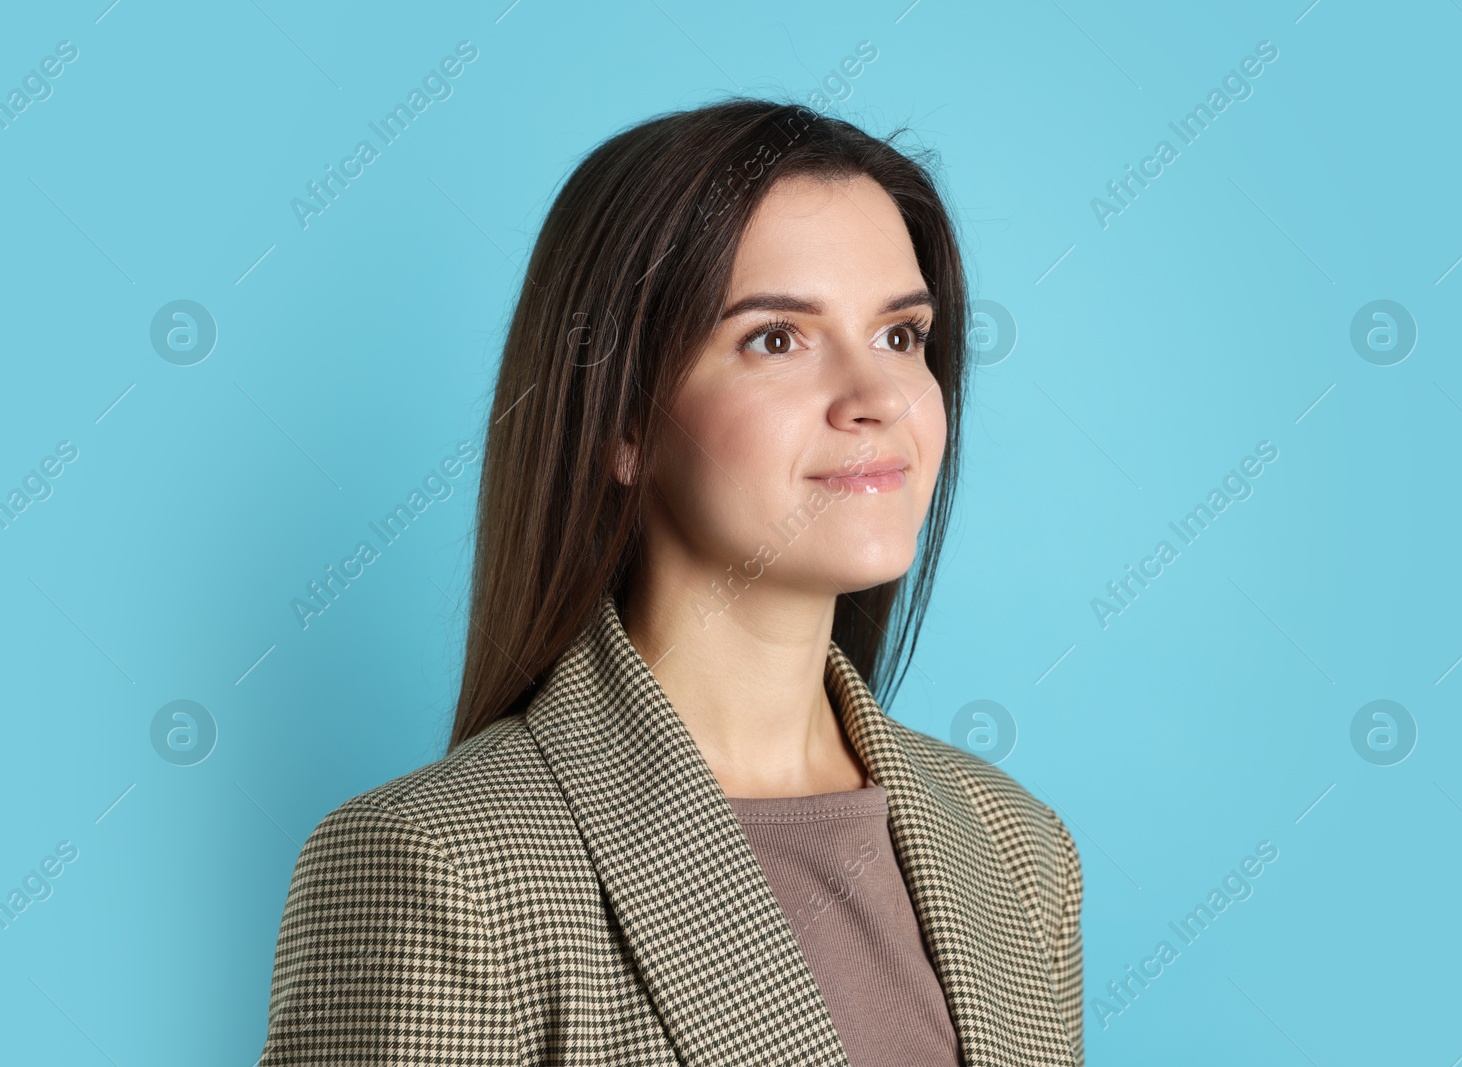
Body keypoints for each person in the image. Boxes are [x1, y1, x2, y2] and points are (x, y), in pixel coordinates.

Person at [254, 97, 1084, 1067]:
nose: (877, 399)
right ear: (623, 425)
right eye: (777, 337)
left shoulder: (1016, 847)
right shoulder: (442, 864)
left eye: (901, 335)